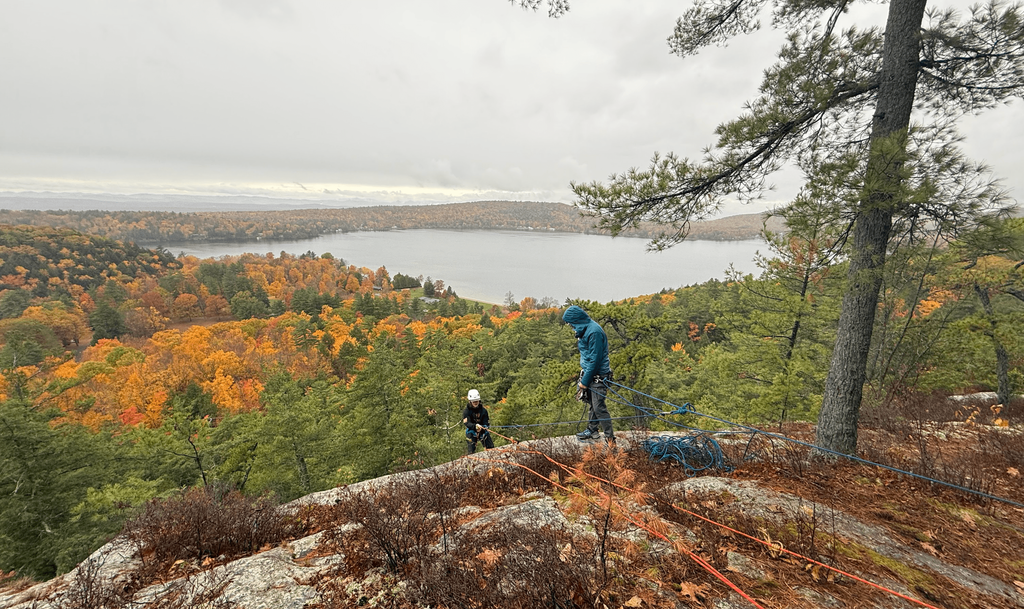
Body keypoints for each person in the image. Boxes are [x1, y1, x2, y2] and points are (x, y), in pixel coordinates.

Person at [562, 305, 614, 444]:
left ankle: (610, 439)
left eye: (570, 323)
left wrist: (584, 382)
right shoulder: (585, 329)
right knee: (593, 404)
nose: (570, 326)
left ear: (576, 320)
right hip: (591, 374)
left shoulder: (594, 332)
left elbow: (595, 360)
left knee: (599, 407)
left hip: (598, 376)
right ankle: (592, 430)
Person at [462, 388, 494, 455]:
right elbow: (467, 423)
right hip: (472, 431)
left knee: (491, 447)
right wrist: (475, 426)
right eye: (474, 401)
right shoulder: (466, 411)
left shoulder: (483, 411)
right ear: (470, 401)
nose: (476, 403)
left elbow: (486, 422)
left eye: (477, 401)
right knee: (471, 448)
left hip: (483, 430)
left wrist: (483, 427)